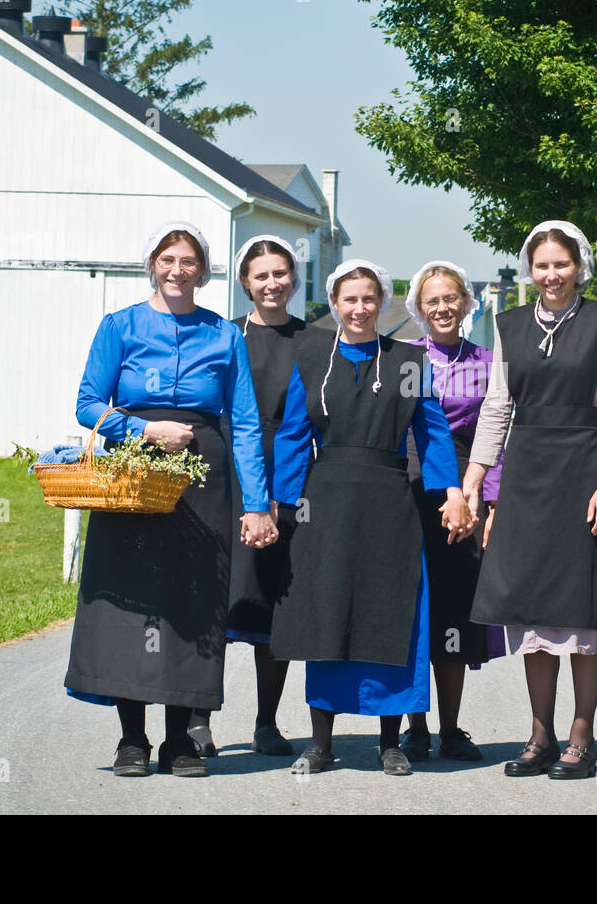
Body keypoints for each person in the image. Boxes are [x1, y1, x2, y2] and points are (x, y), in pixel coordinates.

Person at [65, 220, 277, 778]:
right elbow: (88, 405)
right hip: (135, 470)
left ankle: (180, 739)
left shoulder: (225, 335)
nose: (178, 270)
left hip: (205, 477)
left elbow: (248, 423)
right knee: (131, 600)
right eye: (168, 259)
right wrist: (144, 431)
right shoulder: (120, 326)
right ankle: (132, 739)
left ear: (204, 273)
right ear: (152, 265)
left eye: (189, 262)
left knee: (193, 600)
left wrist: (256, 503)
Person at [270, 259, 474, 775]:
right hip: (327, 501)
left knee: (389, 615)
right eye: (349, 299)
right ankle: (320, 744)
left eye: (368, 299)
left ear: (381, 302)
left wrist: (451, 492)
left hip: (390, 502)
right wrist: (281, 502)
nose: (359, 308)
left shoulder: (407, 359)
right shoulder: (312, 353)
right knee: (327, 613)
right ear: (334, 304)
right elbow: (294, 434)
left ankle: (390, 742)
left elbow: (431, 433)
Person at [463, 220, 597, 780]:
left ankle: (581, 737)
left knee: (584, 610)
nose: (551, 275)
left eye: (561, 264)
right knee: (532, 608)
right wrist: (474, 480)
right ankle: (540, 735)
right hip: (526, 477)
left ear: (579, 266)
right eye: (541, 265)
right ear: (530, 270)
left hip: (585, 473)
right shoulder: (510, 325)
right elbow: (497, 408)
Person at [187, 235, 331, 759]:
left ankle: (267, 721)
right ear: (245, 282)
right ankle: (198, 719)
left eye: (281, 273)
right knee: (220, 596)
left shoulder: (317, 342)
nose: (272, 283)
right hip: (225, 473)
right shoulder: (224, 335)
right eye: (261, 275)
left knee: (277, 599)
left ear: (295, 279)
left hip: (292, 477)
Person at [398, 261, 506, 763]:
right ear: (419, 309)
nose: (441, 308)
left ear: (466, 302)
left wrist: (489, 502)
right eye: (431, 301)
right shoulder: (401, 360)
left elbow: (499, 437)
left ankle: (450, 727)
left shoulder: (488, 362)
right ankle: (413, 726)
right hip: (408, 486)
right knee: (411, 606)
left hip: (469, 478)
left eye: (450, 298)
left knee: (453, 606)